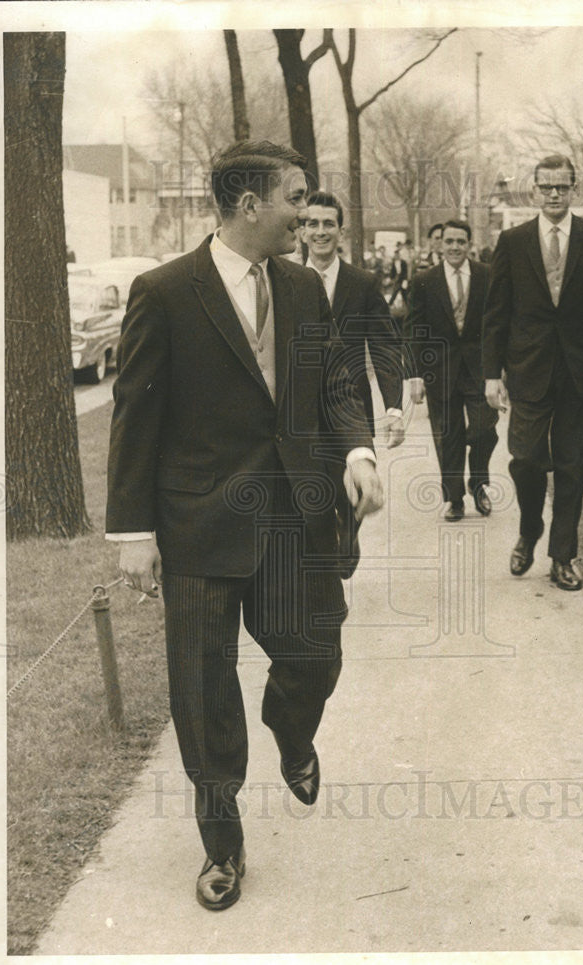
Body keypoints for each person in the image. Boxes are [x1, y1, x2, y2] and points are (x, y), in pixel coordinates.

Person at [105, 140, 384, 911]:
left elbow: (333, 383)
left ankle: (293, 734)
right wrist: (133, 535)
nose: (307, 213)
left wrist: (357, 449)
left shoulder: (301, 288)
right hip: (197, 525)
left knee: (315, 656)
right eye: (296, 197)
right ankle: (222, 844)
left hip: (296, 514)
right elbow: (135, 414)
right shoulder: (162, 292)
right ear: (251, 203)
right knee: (202, 691)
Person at [482, 154, 583, 591]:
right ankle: (530, 529)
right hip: (527, 371)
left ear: (574, 190)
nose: (552, 195)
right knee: (524, 459)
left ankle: (562, 555)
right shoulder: (513, 241)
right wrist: (492, 374)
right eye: (545, 187)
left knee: (572, 465)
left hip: (579, 372)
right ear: (534, 190)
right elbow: (495, 315)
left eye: (561, 188)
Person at [302, 190, 406, 573]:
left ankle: (345, 541)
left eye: (328, 223)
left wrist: (393, 406)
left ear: (341, 231)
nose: (320, 231)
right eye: (311, 223)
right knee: (310, 500)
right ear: (301, 231)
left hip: (350, 411)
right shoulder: (285, 281)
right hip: (301, 414)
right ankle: (323, 569)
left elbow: (384, 346)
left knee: (351, 499)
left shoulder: (361, 283)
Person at [406, 219, 498, 521]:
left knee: (485, 429)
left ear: (469, 245)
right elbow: (414, 329)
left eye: (461, 241)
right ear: (440, 244)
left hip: (479, 370)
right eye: (449, 242)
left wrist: (501, 372)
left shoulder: (487, 275)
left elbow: (498, 324)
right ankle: (455, 498)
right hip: (439, 371)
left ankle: (478, 480)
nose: (455, 247)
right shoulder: (424, 280)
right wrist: (415, 374)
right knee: (449, 436)